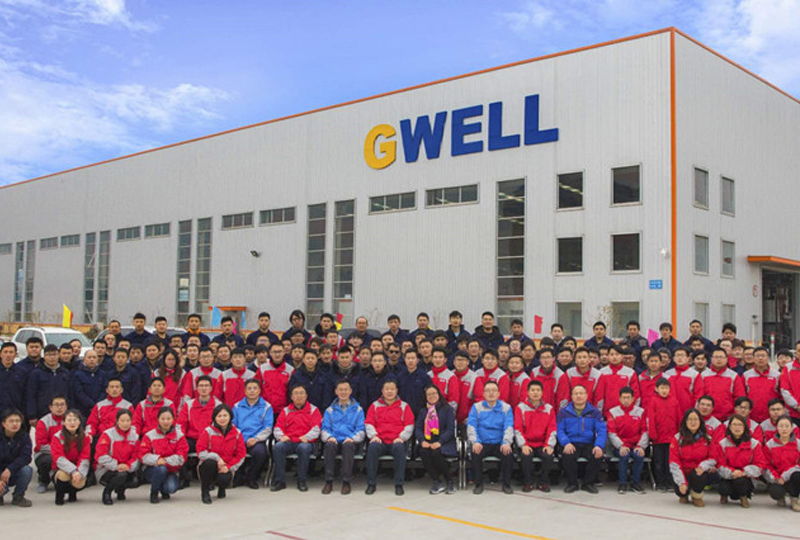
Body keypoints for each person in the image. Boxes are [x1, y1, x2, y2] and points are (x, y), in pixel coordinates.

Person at [364, 380, 414, 495]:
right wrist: (374, 436)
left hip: (396, 440)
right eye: (387, 389)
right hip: (380, 440)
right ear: (382, 391)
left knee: (399, 448)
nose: (389, 391)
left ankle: (399, 484)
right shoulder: (375, 405)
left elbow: (409, 425)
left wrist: (402, 438)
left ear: (396, 391)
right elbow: (369, 423)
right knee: (372, 448)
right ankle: (371, 484)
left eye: (392, 389)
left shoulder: (404, 406)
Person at [271, 385, 322, 492]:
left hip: (306, 442)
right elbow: (278, 427)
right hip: (289, 440)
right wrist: (281, 436)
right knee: (278, 446)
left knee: (303, 448)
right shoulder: (286, 410)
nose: (299, 396)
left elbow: (317, 428)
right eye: (296, 393)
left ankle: (301, 480)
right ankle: (279, 481)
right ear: (291, 397)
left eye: (301, 393)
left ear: (306, 396)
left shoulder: (313, 410)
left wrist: (307, 437)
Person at [467, 380, 515, 495]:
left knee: (508, 454)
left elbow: (509, 426)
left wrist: (506, 442)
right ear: (483, 394)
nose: (491, 393)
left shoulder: (506, 408)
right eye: (488, 391)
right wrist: (475, 441)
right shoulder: (476, 407)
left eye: (494, 390)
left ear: (498, 393)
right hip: (482, 442)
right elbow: (471, 426)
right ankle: (478, 484)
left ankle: (506, 484)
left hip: (499, 442)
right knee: (475, 453)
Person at [557, 385, 606, 494]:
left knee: (597, 455)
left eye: (581, 393)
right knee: (568, 456)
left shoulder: (594, 412)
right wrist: (566, 443)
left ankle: (588, 484)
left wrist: (598, 445)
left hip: (588, 443)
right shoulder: (564, 412)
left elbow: (601, 430)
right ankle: (572, 484)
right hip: (571, 442)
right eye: (576, 394)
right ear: (571, 396)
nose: (578, 396)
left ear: (586, 395)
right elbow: (560, 430)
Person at [321, 379, 365, 495]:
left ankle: (346, 482)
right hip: (334, 439)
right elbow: (324, 428)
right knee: (329, 446)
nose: (343, 392)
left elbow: (361, 429)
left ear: (350, 391)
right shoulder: (329, 410)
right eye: (340, 390)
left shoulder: (358, 410)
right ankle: (329, 481)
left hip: (350, 440)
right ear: (336, 391)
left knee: (348, 446)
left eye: (346, 389)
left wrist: (352, 438)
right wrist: (329, 437)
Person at [713, 414, 766, 507]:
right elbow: (720, 464)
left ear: (745, 427)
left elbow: (760, 465)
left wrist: (744, 472)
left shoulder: (754, 444)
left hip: (746, 477)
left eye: (740, 425)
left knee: (740, 482)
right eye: (734, 425)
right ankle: (724, 495)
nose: (737, 427)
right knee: (723, 487)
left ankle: (743, 497)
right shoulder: (722, 443)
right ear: (729, 427)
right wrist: (732, 472)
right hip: (729, 475)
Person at [197, 404, 246, 504]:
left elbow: (241, 455)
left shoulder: (237, 433)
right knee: (209, 463)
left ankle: (222, 488)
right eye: (219, 416)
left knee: (224, 479)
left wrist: (228, 467)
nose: (222, 418)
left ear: (230, 417)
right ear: (214, 418)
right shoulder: (208, 431)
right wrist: (217, 458)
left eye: (225, 415)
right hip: (210, 464)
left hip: (226, 466)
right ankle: (205, 491)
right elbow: (201, 452)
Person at [514, 380, 557, 492]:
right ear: (528, 392)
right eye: (532, 390)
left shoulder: (549, 408)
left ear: (542, 393)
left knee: (548, 456)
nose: (535, 392)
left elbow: (552, 428)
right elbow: (518, 429)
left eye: (538, 390)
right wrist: (523, 445)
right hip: (527, 443)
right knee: (526, 456)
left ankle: (543, 482)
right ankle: (528, 482)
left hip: (542, 443)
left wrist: (549, 445)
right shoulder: (520, 408)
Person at [139, 407, 188, 503]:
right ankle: (154, 492)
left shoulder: (179, 436)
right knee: (161, 469)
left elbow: (182, 457)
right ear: (158, 419)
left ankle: (162, 487)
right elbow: (143, 455)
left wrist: (165, 461)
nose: (166, 421)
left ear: (173, 419)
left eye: (168, 419)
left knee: (171, 488)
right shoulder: (149, 435)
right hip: (153, 469)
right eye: (163, 419)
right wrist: (157, 460)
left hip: (171, 469)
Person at [669, 409, 716, 506]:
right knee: (680, 489)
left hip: (698, 472)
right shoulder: (677, 438)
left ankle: (696, 495)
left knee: (699, 476)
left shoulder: (707, 439)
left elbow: (713, 458)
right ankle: (684, 494)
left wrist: (703, 466)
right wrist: (681, 482)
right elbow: (674, 462)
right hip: (682, 472)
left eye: (695, 419)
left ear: (700, 421)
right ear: (685, 422)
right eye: (690, 419)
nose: (693, 422)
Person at [416, 385, 457, 495]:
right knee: (423, 452)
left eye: (434, 393)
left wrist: (440, 442)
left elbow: (450, 430)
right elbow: (418, 428)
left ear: (439, 394)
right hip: (428, 441)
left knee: (436, 452)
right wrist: (422, 441)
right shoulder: (423, 411)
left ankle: (449, 481)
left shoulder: (447, 409)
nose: (431, 396)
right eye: (429, 394)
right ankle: (436, 481)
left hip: (445, 441)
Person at [232, 380, 273, 490]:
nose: (252, 391)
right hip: (239, 438)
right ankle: (238, 476)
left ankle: (251, 477)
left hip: (256, 439)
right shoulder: (237, 406)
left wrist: (255, 439)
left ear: (259, 391)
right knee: (231, 449)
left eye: (255, 388)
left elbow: (268, 428)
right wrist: (240, 438)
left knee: (260, 453)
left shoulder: (267, 407)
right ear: (245, 391)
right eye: (249, 388)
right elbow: (232, 425)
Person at [95, 409, 140, 505]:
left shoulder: (134, 436)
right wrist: (116, 466)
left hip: (126, 468)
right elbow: (101, 456)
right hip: (107, 470)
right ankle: (107, 492)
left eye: (128, 420)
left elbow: (136, 455)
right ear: (117, 421)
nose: (125, 423)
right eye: (122, 420)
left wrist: (128, 466)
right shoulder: (107, 434)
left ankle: (120, 489)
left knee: (135, 480)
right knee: (121, 475)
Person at [608, 386, 648, 494]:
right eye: (624, 398)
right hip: (620, 446)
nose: (626, 400)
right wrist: (621, 446)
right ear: (619, 398)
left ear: (633, 398)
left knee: (639, 456)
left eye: (628, 398)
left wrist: (640, 446)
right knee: (624, 455)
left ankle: (636, 483)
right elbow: (611, 433)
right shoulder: (613, 412)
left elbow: (645, 431)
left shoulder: (641, 412)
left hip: (636, 445)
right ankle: (622, 483)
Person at [647, 378, 682, 491]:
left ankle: (669, 481)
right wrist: (653, 435)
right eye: (662, 388)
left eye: (666, 388)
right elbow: (651, 419)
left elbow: (679, 418)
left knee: (669, 461)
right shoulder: (653, 401)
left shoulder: (674, 401)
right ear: (656, 389)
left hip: (671, 437)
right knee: (659, 461)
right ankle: (660, 482)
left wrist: (679, 434)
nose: (664, 390)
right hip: (658, 438)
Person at [50, 409, 90, 505]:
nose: (72, 423)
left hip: (78, 468)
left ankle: (72, 493)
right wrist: (73, 471)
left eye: (75, 420)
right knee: (63, 475)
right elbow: (59, 458)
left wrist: (79, 472)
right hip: (60, 469)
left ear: (79, 422)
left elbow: (85, 457)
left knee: (80, 481)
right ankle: (60, 495)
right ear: (63, 422)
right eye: (69, 420)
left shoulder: (85, 437)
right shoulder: (57, 437)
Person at [25, 344, 72, 423]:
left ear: (58, 355)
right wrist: (32, 415)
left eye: (54, 354)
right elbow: (31, 395)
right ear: (44, 356)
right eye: (49, 355)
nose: (52, 357)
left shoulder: (65, 373)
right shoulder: (36, 373)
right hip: (42, 413)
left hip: (63, 413)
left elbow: (70, 394)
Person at [763, 415, 800, 511]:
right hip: (778, 478)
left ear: (792, 428)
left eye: (787, 426)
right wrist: (776, 478)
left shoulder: (798, 444)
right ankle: (780, 497)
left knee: (797, 475)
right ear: (777, 428)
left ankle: (794, 499)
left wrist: (785, 476)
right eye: (781, 426)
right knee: (776, 492)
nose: (784, 429)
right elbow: (766, 465)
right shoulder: (769, 445)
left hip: (792, 476)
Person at [33, 395, 67, 493]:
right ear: (50, 407)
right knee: (47, 461)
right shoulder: (43, 422)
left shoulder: (71, 420)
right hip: (47, 453)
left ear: (66, 407)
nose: (59, 407)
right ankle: (43, 480)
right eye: (56, 405)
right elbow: (41, 446)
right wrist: (59, 452)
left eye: (62, 405)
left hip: (66, 452)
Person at [701, 347, 745, 421]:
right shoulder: (704, 375)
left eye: (721, 357)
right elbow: (700, 396)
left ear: (726, 359)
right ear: (711, 359)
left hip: (728, 417)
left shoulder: (733, 376)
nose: (718, 359)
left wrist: (735, 415)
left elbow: (739, 397)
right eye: (716, 357)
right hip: (707, 416)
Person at [0, 409, 33, 507]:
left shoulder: (24, 437)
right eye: (11, 421)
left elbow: (26, 457)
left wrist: (9, 470)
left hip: (14, 471)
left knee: (27, 470)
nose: (15, 424)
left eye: (17, 421)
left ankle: (18, 496)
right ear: (4, 424)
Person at [596, 345, 639, 416]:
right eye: (612, 354)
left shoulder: (630, 373)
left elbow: (635, 394)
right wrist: (599, 412)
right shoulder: (602, 372)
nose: (614, 357)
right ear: (608, 356)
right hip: (606, 413)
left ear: (622, 356)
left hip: (625, 413)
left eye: (617, 354)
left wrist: (632, 412)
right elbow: (599, 395)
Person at [743, 346, 781, 424]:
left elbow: (781, 395)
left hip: (771, 416)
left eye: (763, 356)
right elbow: (742, 395)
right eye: (757, 356)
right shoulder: (746, 375)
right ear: (753, 358)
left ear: (768, 358)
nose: (760, 358)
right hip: (752, 415)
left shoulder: (777, 375)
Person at [256, 342, 294, 412]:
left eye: (280, 351)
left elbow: (292, 392)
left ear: (284, 352)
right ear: (270, 353)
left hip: (283, 410)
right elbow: (256, 388)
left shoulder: (290, 370)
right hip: (265, 409)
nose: (277, 354)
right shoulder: (262, 369)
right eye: (274, 352)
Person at [664, 347, 704, 415]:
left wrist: (694, 410)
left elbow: (698, 394)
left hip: (688, 411)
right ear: (673, 358)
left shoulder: (694, 374)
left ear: (688, 358)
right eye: (677, 355)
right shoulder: (667, 374)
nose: (680, 358)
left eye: (682, 355)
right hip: (670, 410)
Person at [530, 349, 570, 413]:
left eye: (548, 357)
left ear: (553, 358)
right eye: (543, 358)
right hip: (536, 412)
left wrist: (559, 415)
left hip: (553, 413)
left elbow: (562, 399)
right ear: (540, 360)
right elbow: (530, 395)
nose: (546, 360)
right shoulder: (534, 373)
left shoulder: (560, 375)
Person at [70, 349, 107, 418]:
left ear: (97, 359)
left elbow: (105, 390)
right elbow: (78, 392)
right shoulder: (77, 374)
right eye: (89, 357)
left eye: (94, 357)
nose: (92, 359)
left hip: (100, 408)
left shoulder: (102, 374)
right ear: (84, 359)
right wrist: (91, 405)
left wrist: (97, 404)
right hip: (83, 410)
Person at [396, 349, 431, 415]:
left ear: (417, 360)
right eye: (408, 358)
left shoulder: (424, 376)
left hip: (420, 412)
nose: (410, 361)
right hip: (404, 411)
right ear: (404, 359)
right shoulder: (400, 376)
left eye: (413, 358)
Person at [0, 343, 24, 413]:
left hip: (15, 412)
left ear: (15, 354)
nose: (8, 355)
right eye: (5, 352)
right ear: (1, 354)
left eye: (11, 352)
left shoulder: (22, 372)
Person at [780, 345, 800, 428]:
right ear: (795, 352)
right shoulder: (788, 368)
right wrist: (797, 406)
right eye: (799, 350)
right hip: (793, 413)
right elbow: (785, 389)